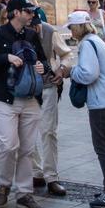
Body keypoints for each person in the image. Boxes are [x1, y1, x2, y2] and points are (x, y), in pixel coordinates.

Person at [0, 0, 48, 208]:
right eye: (28, 11)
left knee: (27, 149)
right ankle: (4, 184)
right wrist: (6, 57)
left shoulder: (31, 34)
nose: (32, 15)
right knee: (9, 145)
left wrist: (42, 67)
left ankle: (24, 193)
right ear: (16, 12)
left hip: (30, 97)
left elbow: (42, 59)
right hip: (6, 98)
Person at [61, 11, 105, 208]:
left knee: (103, 147)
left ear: (80, 26)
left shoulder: (88, 44)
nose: (71, 31)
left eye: (72, 26)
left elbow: (89, 74)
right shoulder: (96, 40)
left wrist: (71, 71)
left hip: (102, 101)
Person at [31, 13, 71, 198]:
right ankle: (36, 172)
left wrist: (62, 69)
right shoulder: (14, 31)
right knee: (27, 133)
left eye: (36, 26)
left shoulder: (49, 31)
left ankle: (51, 176)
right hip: (26, 89)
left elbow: (66, 53)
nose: (35, 31)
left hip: (47, 86)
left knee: (48, 131)